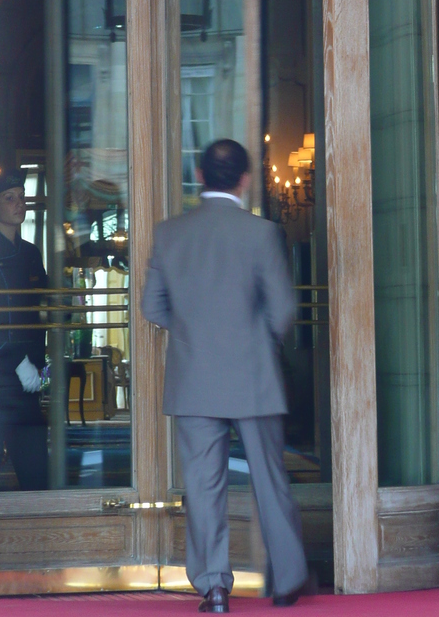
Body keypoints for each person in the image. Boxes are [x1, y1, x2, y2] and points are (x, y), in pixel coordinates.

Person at [141, 139, 311, 612]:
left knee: (203, 484)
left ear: (199, 176)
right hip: (254, 375)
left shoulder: (170, 233)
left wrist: (194, 332)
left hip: (194, 378)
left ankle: (215, 588)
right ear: (245, 178)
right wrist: (255, 342)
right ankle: (288, 581)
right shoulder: (261, 234)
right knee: (270, 480)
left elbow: (151, 305)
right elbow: (282, 311)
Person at [0, 169, 49, 491]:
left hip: (30, 373)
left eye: (21, 196)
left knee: (36, 471)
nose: (18, 203)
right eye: (9, 197)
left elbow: (37, 310)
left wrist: (39, 364)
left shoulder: (30, 252)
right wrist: (16, 360)